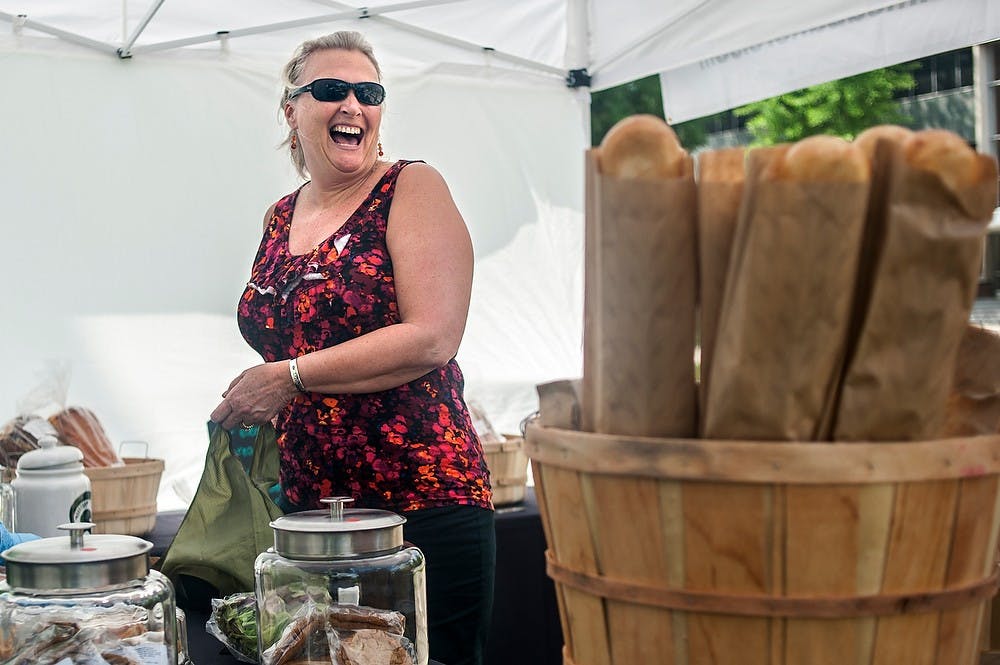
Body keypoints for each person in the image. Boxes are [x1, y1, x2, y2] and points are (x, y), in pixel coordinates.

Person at [210, 31, 495, 665]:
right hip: (312, 519)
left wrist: (289, 377)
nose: (352, 105)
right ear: (292, 110)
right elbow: (288, 340)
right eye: (332, 90)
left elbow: (433, 336)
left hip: (418, 507)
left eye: (368, 92)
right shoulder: (279, 217)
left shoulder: (411, 187)